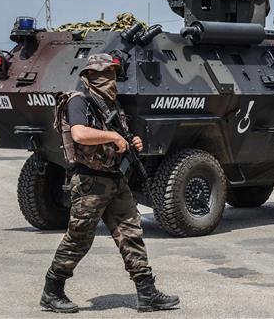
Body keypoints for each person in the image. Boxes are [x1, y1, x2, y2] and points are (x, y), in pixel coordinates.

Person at [40, 53, 180, 313]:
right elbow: (80, 133)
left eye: (114, 75)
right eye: (105, 74)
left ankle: (147, 293)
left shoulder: (111, 106)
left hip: (115, 179)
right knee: (79, 238)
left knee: (132, 234)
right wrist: (113, 136)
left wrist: (131, 143)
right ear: (91, 76)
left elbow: (118, 140)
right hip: (90, 182)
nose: (111, 80)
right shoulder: (78, 101)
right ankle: (52, 291)